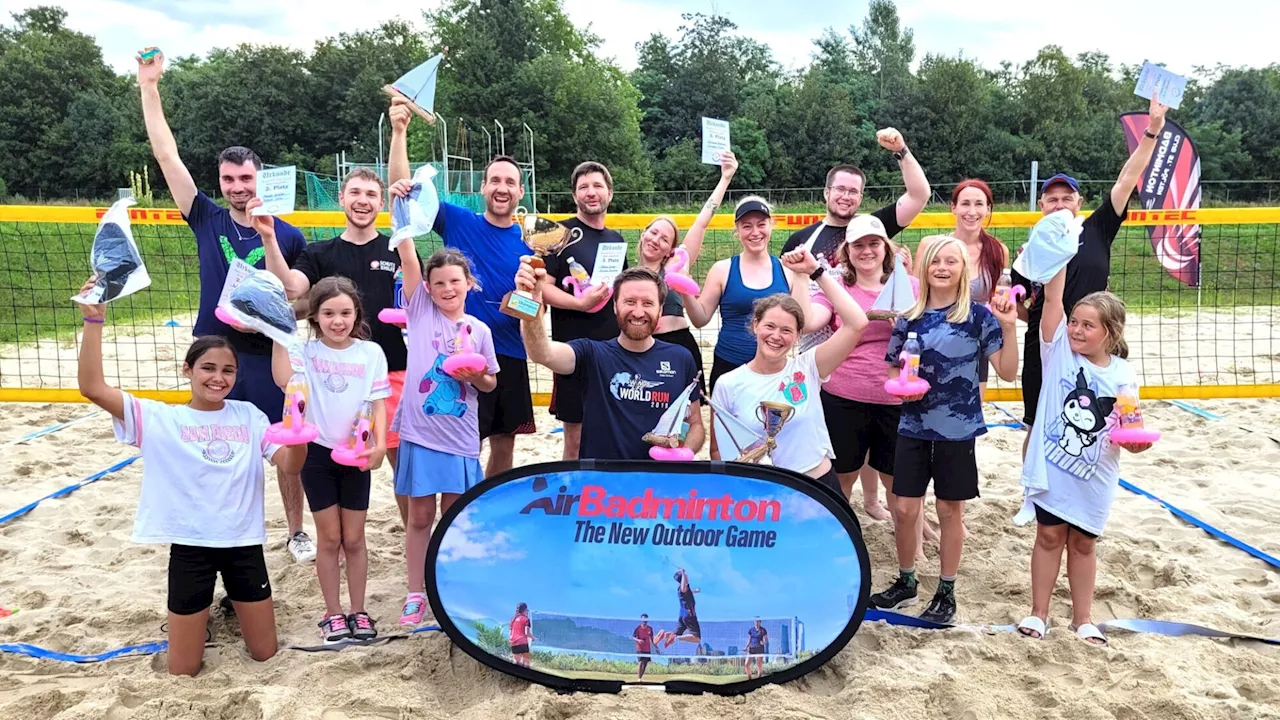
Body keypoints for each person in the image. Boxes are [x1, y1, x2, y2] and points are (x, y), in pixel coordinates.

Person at [136, 49, 315, 564]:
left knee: (285, 448)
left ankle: (295, 529)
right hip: (215, 351)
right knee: (217, 449)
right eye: (230, 180)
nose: (238, 188)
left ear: (261, 181)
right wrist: (150, 87)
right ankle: (219, 529)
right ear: (221, 182)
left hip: (265, 354)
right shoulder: (206, 218)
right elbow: (168, 157)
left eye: (247, 180)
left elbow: (298, 298)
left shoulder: (289, 233)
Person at [76, 277, 305, 675]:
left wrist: (299, 434)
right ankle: (203, 619)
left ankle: (227, 609)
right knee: (182, 669)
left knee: (265, 653)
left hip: (243, 544)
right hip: (191, 547)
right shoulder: (162, 417)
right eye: (209, 368)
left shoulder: (249, 416)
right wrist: (94, 323)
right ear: (188, 370)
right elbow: (93, 388)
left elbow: (290, 465)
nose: (219, 378)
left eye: (228, 370)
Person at [869, 237, 1019, 624]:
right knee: (903, 508)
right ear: (924, 268)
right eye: (936, 260)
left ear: (962, 269)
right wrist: (903, 384)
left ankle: (946, 591)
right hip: (914, 424)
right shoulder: (909, 317)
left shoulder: (978, 316)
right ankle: (906, 582)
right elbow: (891, 370)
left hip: (957, 429)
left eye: (951, 261)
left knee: (950, 511)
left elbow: (1006, 370)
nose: (942, 267)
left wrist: (1008, 324)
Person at [779, 129, 928, 513]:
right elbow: (801, 314)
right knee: (832, 462)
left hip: (878, 373)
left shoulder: (870, 226)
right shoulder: (803, 239)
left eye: (854, 191)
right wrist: (800, 277)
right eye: (840, 189)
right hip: (821, 360)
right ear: (826, 193)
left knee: (885, 465)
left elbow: (918, 196)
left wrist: (901, 152)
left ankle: (885, 510)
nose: (846, 196)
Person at [1012, 91, 1170, 452]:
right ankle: (1032, 501)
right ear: (1041, 206)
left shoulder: (1096, 228)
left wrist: (1152, 130)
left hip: (1096, 341)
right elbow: (1020, 304)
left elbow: (1127, 179)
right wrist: (1039, 320)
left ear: (1078, 203)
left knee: (1092, 424)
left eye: (1067, 198)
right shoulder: (1031, 251)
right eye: (1052, 199)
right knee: (1037, 424)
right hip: (1047, 342)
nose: (1059, 203)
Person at [388, 97, 533, 480]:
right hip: (451, 351)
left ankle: (484, 506)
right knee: (464, 438)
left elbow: (537, 310)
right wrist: (399, 132)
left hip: (508, 353)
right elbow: (404, 196)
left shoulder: (532, 243)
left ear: (520, 192)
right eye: (495, 181)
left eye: (510, 183)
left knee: (505, 442)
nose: (502, 188)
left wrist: (519, 302)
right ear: (484, 187)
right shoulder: (458, 219)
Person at [260, 167, 409, 523]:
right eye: (355, 193)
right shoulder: (320, 253)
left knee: (399, 463)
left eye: (371, 195)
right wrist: (268, 237)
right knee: (334, 455)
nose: (362, 201)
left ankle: (414, 539)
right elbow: (291, 288)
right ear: (341, 198)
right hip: (336, 372)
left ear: (381, 203)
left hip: (391, 369)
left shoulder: (395, 249)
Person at [1015, 266, 1150, 645]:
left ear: (1110, 333)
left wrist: (1137, 442)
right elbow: (1054, 300)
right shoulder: (1058, 352)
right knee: (1048, 536)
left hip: (1096, 474)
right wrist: (1059, 253)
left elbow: (1131, 424)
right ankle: (1038, 612)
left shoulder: (1123, 373)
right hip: (1055, 469)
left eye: (1087, 325)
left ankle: (1083, 619)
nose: (1076, 329)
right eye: (1074, 322)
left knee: (1084, 544)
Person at [806, 215, 937, 553]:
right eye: (858, 245)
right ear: (847, 252)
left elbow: (937, 333)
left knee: (900, 485)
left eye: (874, 243)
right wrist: (798, 275)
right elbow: (810, 321)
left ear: (886, 248)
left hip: (899, 400)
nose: (867, 251)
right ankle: (838, 548)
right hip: (844, 396)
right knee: (842, 479)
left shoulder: (912, 286)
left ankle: (912, 555)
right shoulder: (838, 287)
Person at [270, 277, 389, 643]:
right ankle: (333, 614)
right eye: (328, 313)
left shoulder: (370, 353)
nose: (338, 321)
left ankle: (358, 610)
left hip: (356, 451)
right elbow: (283, 380)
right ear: (316, 318)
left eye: (345, 313)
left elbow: (379, 404)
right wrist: (275, 329)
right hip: (319, 453)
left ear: (357, 315)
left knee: (354, 539)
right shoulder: (306, 352)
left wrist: (380, 446)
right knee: (329, 538)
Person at [387, 237, 498, 626]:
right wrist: (402, 208)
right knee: (419, 517)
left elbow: (489, 385)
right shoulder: (420, 314)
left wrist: (477, 375)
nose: (447, 289)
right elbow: (406, 254)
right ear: (427, 289)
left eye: (454, 281)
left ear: (469, 282)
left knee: (454, 517)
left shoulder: (480, 330)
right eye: (439, 284)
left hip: (461, 439)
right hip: (420, 434)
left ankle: (448, 589)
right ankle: (415, 593)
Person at [711, 251, 868, 496]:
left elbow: (857, 323)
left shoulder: (808, 367)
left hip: (816, 484)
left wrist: (815, 272)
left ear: (797, 336)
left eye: (787, 330)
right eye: (769, 326)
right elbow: (719, 452)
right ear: (755, 325)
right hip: (762, 491)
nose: (776, 336)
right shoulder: (728, 383)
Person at [518, 264, 705, 461]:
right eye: (630, 302)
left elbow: (695, 424)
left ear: (660, 309)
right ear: (615, 306)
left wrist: (686, 452)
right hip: (602, 484)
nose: (638, 312)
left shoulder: (681, 358)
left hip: (659, 481)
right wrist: (533, 300)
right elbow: (541, 353)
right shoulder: (592, 354)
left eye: (648, 303)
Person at [680, 197, 810, 460]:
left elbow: (803, 321)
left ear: (771, 226)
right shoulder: (723, 269)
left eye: (761, 224)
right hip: (729, 366)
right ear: (736, 231)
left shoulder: (787, 270)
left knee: (775, 442)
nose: (755, 232)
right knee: (723, 446)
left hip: (774, 373)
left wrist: (806, 275)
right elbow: (701, 318)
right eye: (747, 226)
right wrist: (685, 291)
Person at [541, 162, 630, 460]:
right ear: (574, 194)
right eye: (584, 187)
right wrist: (580, 304)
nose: (591, 193)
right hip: (574, 352)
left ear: (610, 193)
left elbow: (623, 294)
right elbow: (543, 288)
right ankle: (573, 502)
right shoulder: (558, 233)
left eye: (597, 186)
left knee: (614, 432)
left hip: (613, 351)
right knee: (576, 441)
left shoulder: (616, 241)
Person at [638, 151, 738, 392]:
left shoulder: (675, 265)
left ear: (669, 249)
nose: (656, 240)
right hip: (641, 347)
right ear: (643, 234)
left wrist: (725, 178)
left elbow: (703, 220)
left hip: (677, 345)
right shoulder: (627, 274)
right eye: (653, 233)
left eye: (664, 239)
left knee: (685, 417)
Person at [918, 179, 1011, 393]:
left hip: (975, 343)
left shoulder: (998, 251)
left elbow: (998, 299)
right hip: (933, 341)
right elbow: (918, 297)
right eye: (965, 203)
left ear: (988, 209)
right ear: (953, 207)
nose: (972, 211)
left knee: (970, 414)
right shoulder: (931, 246)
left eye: (979, 204)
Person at [656, 568, 701, 650]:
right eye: (685, 576)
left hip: (682, 616)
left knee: (675, 633)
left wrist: (695, 591)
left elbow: (687, 591)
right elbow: (684, 588)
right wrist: (683, 573)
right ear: (682, 578)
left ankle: (664, 634)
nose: (687, 576)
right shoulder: (683, 587)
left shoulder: (681, 589)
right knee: (696, 638)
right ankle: (676, 639)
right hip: (689, 615)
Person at [510, 603, 535, 668]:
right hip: (522, 643)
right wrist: (533, 638)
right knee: (526, 663)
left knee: (516, 662)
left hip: (513, 643)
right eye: (527, 610)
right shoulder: (526, 620)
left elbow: (510, 632)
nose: (527, 612)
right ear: (525, 610)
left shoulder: (513, 619)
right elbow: (527, 633)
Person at [633, 613, 656, 680]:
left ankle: (641, 678)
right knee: (640, 663)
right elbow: (633, 637)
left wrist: (655, 646)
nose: (644, 620)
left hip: (647, 649)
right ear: (641, 619)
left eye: (646, 619)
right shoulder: (638, 628)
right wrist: (638, 640)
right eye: (643, 619)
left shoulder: (650, 629)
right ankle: (638, 678)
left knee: (645, 664)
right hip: (640, 648)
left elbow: (652, 639)